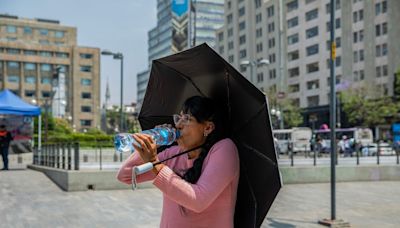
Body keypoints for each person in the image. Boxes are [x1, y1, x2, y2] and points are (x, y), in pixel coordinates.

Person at [117, 96, 240, 228]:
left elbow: (198, 201)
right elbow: (125, 176)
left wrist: (155, 163)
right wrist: (154, 141)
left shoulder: (224, 149)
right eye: (179, 118)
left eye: (186, 119)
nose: (178, 125)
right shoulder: (174, 153)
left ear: (208, 128)